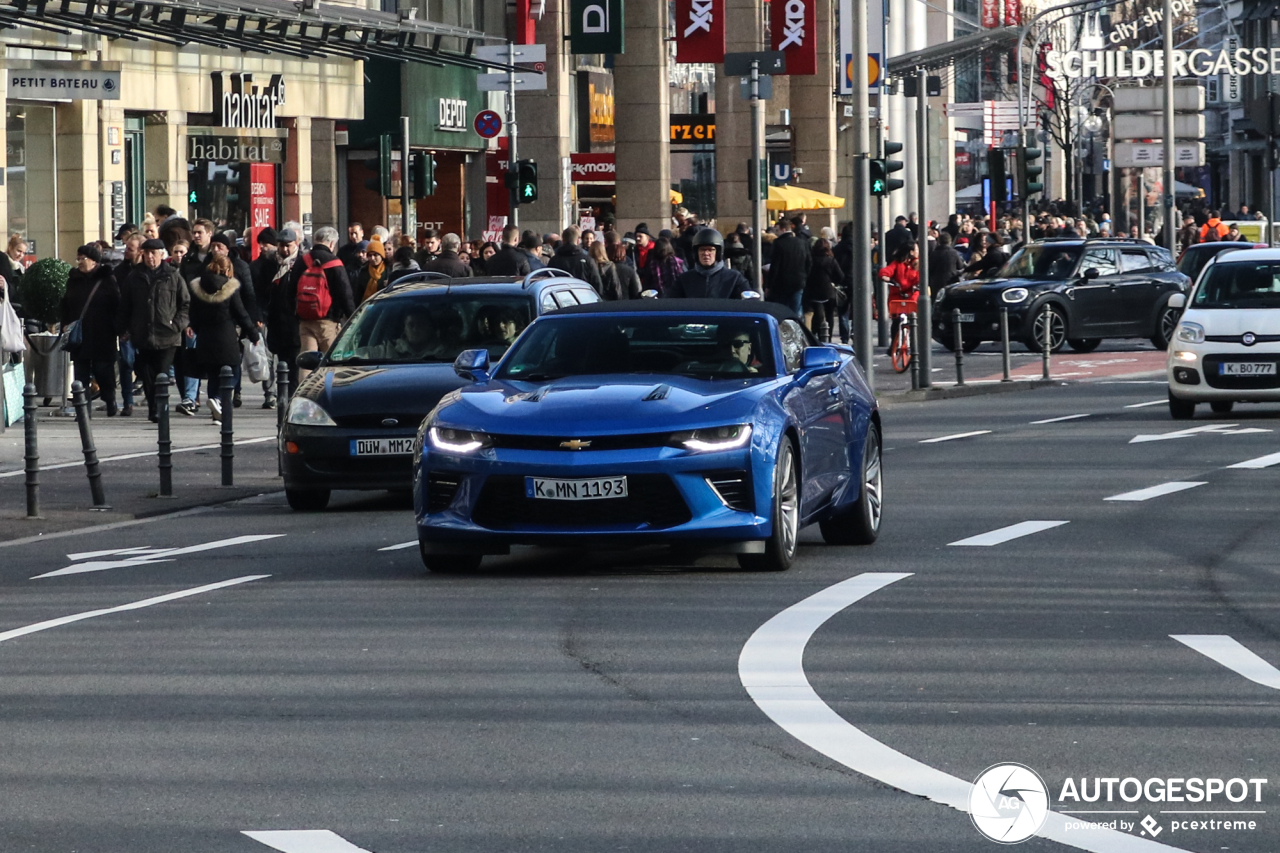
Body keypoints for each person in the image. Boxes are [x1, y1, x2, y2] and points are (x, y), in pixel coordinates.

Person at [117, 238, 190, 423]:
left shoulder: (173, 275)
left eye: (154, 253)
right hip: (143, 334)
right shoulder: (134, 277)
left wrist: (177, 324)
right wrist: (125, 328)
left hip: (168, 335)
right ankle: (153, 408)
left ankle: (160, 406)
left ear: (161, 255)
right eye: (147, 253)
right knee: (147, 374)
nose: (150, 257)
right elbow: (125, 306)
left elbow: (185, 304)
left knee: (161, 374)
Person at [186, 255, 260, 422]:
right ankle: (218, 400)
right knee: (232, 372)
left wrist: (196, 328)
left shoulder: (198, 287)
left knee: (213, 375)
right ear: (227, 269)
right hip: (225, 337)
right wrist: (253, 333)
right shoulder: (229, 287)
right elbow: (241, 313)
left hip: (205, 337)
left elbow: (194, 315)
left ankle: (216, 412)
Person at [285, 225, 355, 376]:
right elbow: (345, 293)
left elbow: (290, 290)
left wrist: (295, 314)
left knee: (306, 360)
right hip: (327, 320)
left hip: (305, 319)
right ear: (331, 243)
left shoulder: (302, 261)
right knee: (332, 360)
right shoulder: (334, 263)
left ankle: (303, 394)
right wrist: (351, 317)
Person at [60, 244, 120, 416]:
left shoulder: (107, 279)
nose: (79, 262)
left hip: (103, 333)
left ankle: (109, 399)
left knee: (103, 371)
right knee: (81, 375)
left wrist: (117, 328)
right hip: (79, 335)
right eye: (78, 258)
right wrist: (65, 324)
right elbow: (65, 305)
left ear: (94, 261)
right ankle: (83, 411)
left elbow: (117, 305)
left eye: (82, 258)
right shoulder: (73, 279)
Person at [666, 228, 751, 300]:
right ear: (696, 253)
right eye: (702, 250)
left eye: (710, 250)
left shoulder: (734, 278)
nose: (706, 253)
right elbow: (670, 304)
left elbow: (745, 306)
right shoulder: (684, 279)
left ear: (718, 253)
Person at [880, 243, 920, 360]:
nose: (918, 252)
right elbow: (886, 271)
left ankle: (913, 345)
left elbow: (921, 277)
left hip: (912, 296)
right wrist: (885, 277)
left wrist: (918, 285)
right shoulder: (897, 264)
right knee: (896, 321)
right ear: (911, 252)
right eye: (916, 250)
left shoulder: (917, 264)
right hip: (897, 296)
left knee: (913, 321)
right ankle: (894, 344)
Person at [765, 218, 811, 315]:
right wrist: (805, 276)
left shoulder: (778, 243)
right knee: (796, 310)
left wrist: (769, 286)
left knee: (782, 311)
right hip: (799, 281)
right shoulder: (802, 242)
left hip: (782, 283)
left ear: (783, 229)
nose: (776, 233)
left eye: (777, 230)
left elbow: (775, 266)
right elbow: (809, 262)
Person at [803, 238, 844, 342]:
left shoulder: (810, 260)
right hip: (828, 292)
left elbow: (805, 274)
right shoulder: (831, 260)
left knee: (815, 314)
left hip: (812, 291)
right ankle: (828, 337)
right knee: (829, 314)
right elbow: (840, 276)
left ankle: (814, 335)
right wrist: (833, 281)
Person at [548, 225, 603, 292]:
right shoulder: (588, 259)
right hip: (584, 297)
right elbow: (597, 284)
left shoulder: (554, 260)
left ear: (563, 241)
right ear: (577, 241)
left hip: (561, 298)